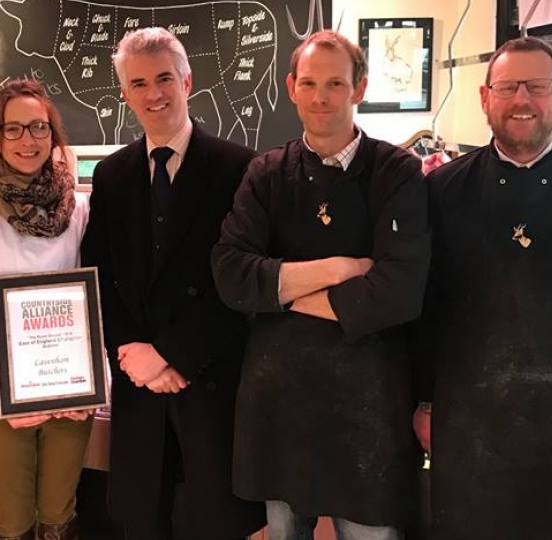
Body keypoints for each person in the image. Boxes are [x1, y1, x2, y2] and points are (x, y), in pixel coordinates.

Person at [211, 30, 430, 540]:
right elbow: (230, 273)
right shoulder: (265, 173)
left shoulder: (397, 172)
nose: (321, 97)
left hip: (369, 404)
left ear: (360, 87)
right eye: (308, 83)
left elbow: (398, 292)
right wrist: (337, 269)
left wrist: (280, 293)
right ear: (290, 86)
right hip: (279, 403)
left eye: (335, 83)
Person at [414, 36, 552, 540]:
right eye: (507, 87)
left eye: (537, 86)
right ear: (485, 98)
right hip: (471, 420)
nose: (522, 99)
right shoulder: (438, 192)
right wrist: (424, 402)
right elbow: (425, 309)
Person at [80, 27, 265, 540]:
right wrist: (135, 354)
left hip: (208, 382)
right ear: (125, 94)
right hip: (141, 389)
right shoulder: (112, 174)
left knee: (215, 521)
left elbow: (242, 283)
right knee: (144, 520)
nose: (154, 93)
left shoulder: (239, 168)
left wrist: (174, 355)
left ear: (187, 80)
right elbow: (99, 274)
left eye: (164, 78)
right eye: (139, 83)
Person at [0, 80, 93, 540]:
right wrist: (8, 397)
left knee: (60, 512)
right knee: (13, 518)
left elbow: (94, 298)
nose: (28, 140)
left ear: (53, 134)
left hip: (66, 392)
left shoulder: (77, 207)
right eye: (14, 130)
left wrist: (89, 380)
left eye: (38, 127)